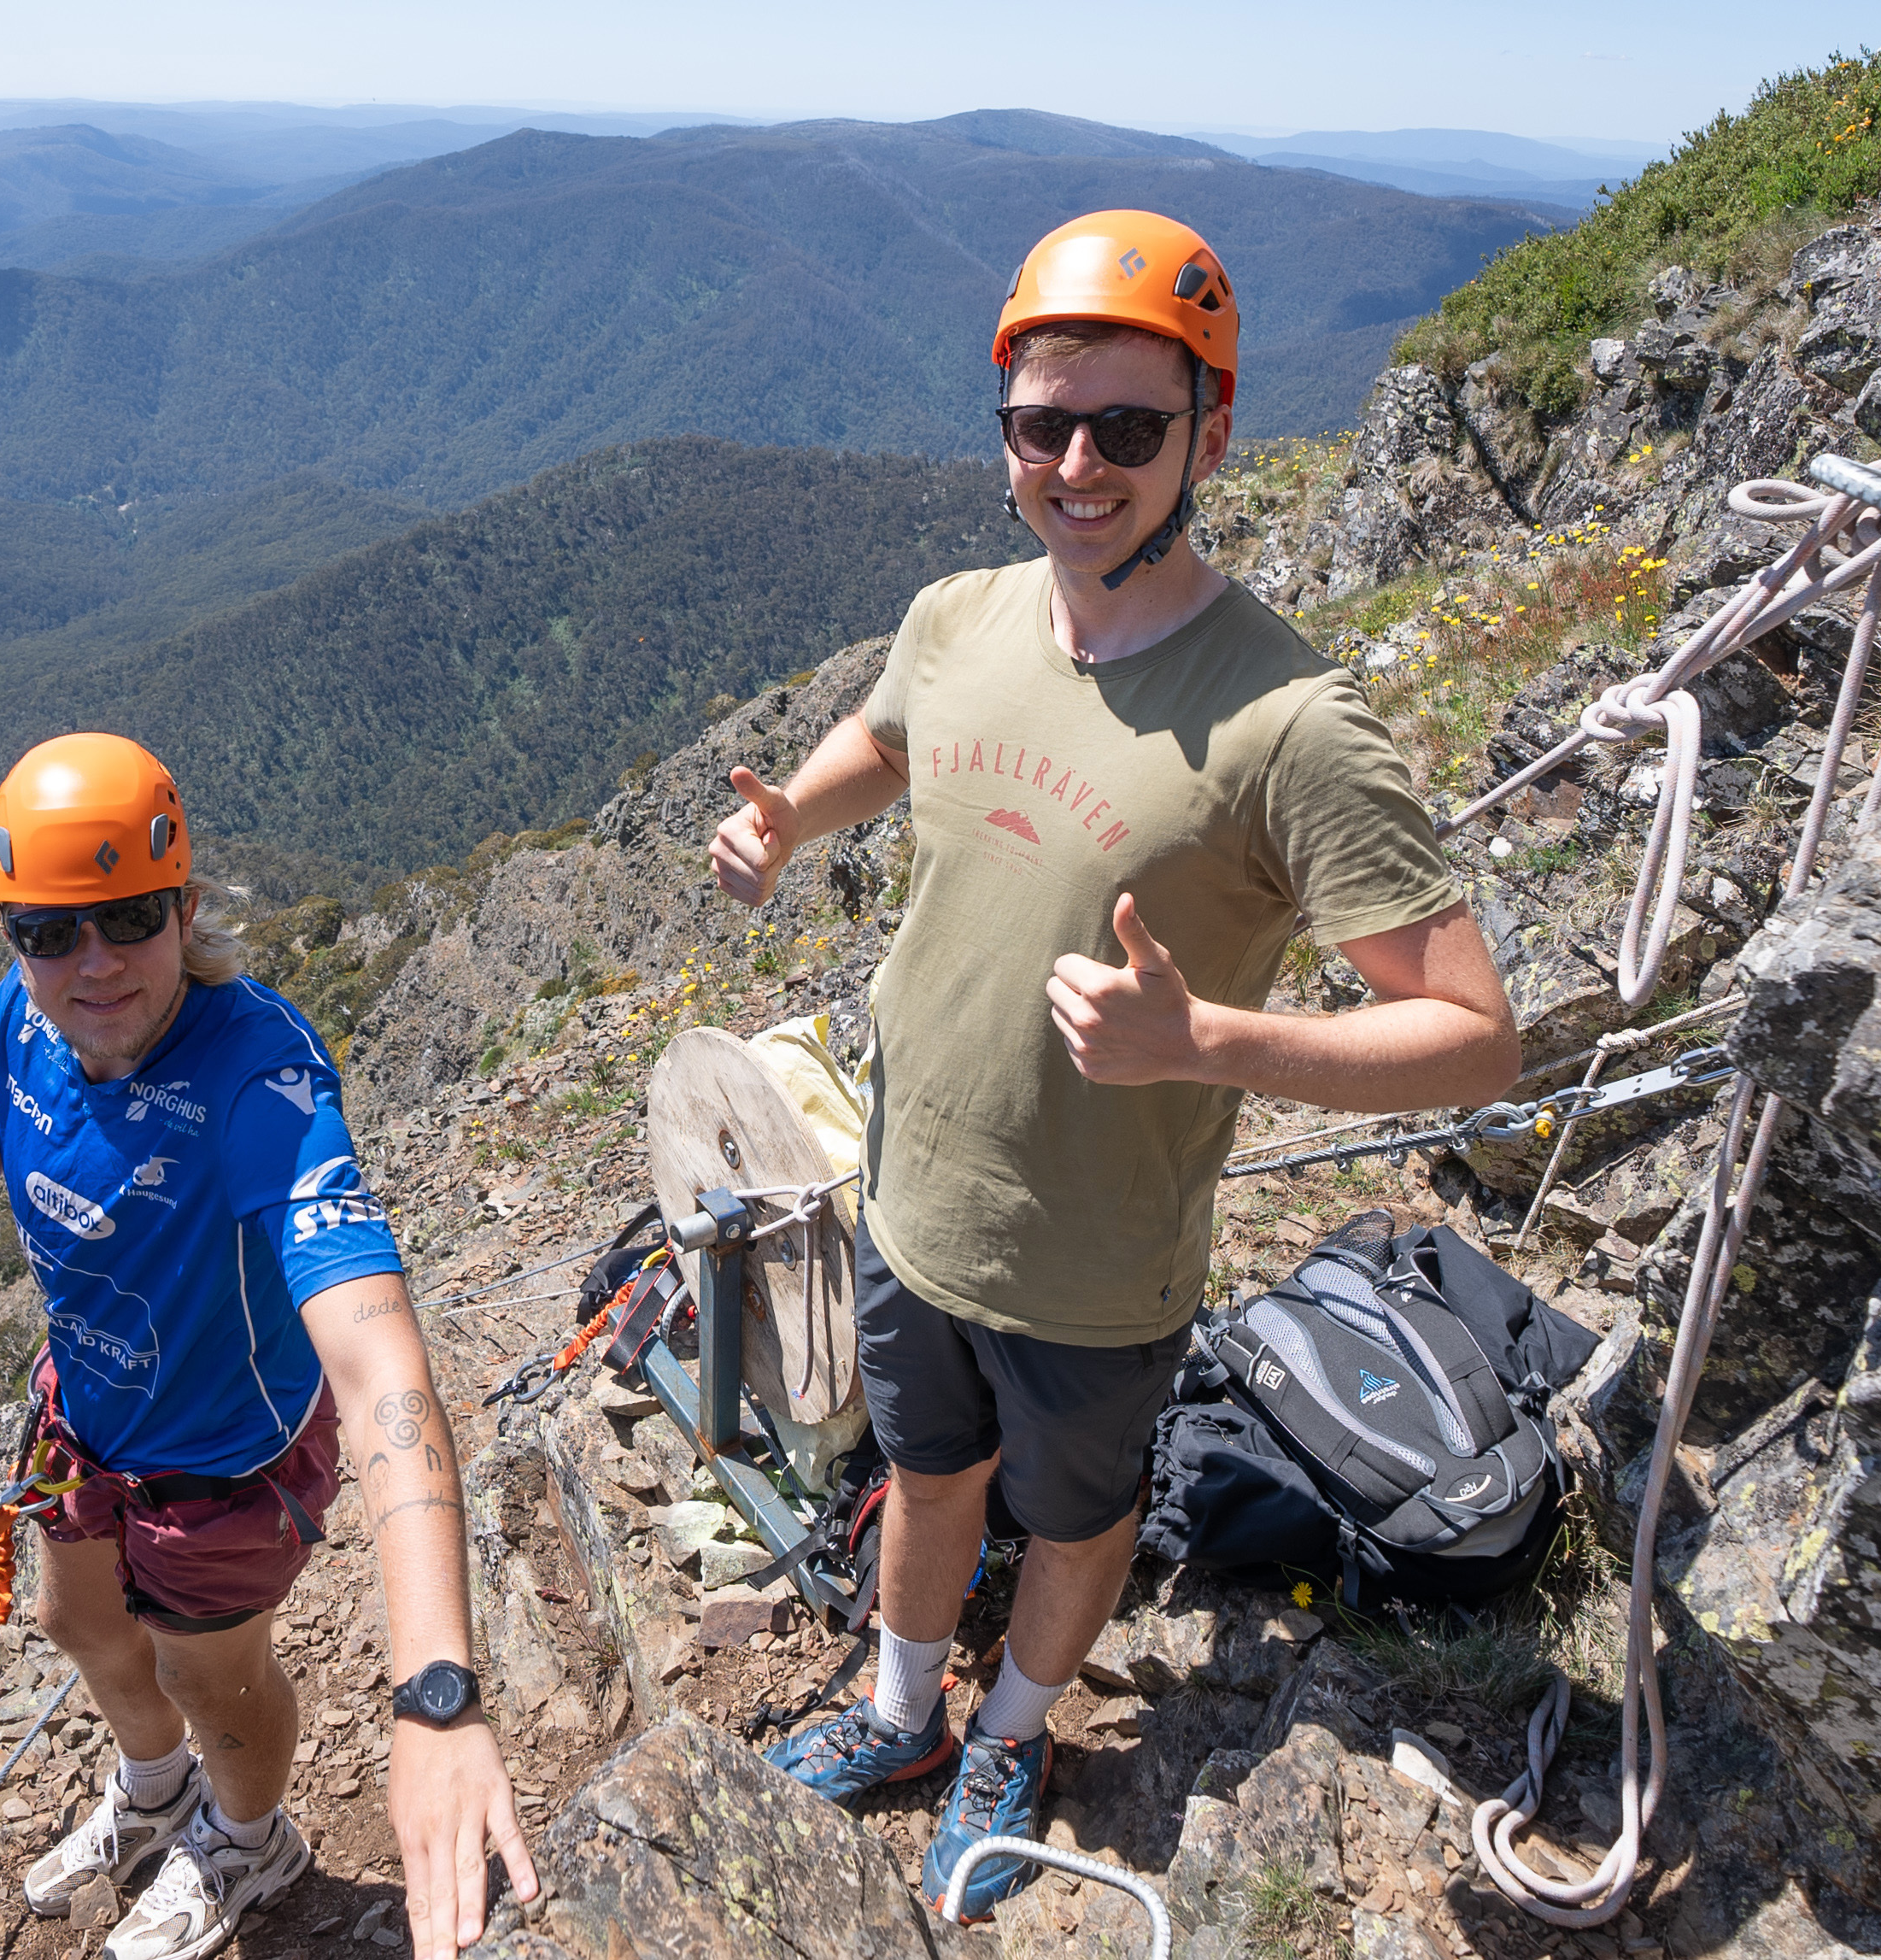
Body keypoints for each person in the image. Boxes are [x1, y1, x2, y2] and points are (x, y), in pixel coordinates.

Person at [708, 211, 1520, 1920]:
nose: (1076, 464)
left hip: (1096, 1255)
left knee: (1075, 1525)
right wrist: (790, 810)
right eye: (1039, 424)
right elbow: (886, 734)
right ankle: (901, 1713)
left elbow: (1470, 1028)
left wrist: (1210, 1041)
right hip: (917, 1189)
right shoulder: (962, 613)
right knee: (928, 1479)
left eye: (1126, 430)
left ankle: (1011, 1734)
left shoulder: (1288, 722)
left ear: (1208, 434)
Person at [0, 733, 534, 1960]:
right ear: (9, 934)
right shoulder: (21, 1023)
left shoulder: (260, 1078)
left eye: (131, 917)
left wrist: (436, 1689)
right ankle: (154, 1789)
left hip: (223, 1461)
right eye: (49, 930)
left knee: (215, 1675)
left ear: (186, 907)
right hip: (85, 1422)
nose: (92, 962)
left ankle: (252, 1837)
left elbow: (379, 1369)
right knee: (77, 1625)